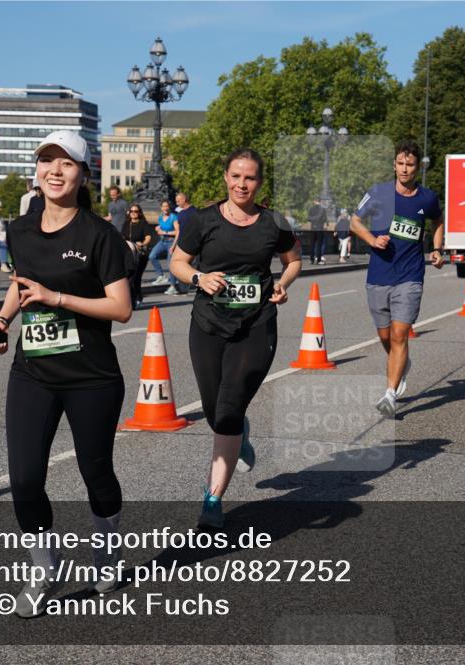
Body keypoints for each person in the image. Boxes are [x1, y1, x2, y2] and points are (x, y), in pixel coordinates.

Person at [0, 129, 132, 617]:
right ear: (37, 171)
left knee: (96, 472)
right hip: (33, 371)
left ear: (83, 174)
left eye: (66, 163)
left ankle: (108, 550)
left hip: (91, 375)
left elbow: (121, 308)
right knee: (25, 479)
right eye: (46, 161)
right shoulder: (21, 229)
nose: (54, 170)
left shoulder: (99, 235)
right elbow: (20, 283)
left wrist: (58, 298)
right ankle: (44, 569)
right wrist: (3, 320)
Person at [169, 148, 301, 529]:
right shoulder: (202, 220)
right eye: (236, 176)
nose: (242, 184)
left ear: (260, 182)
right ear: (226, 177)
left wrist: (282, 284)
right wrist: (199, 278)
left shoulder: (274, 222)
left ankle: (213, 498)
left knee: (227, 408)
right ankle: (240, 433)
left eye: (250, 178)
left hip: (256, 325)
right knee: (214, 410)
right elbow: (178, 262)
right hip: (208, 324)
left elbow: (293, 260)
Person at [349, 140, 444, 416]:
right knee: (385, 336)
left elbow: (438, 221)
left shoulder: (427, 198)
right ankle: (402, 363)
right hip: (379, 275)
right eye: (400, 163)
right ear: (394, 164)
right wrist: (372, 240)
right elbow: (355, 221)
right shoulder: (378, 192)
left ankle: (389, 394)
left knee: (400, 334)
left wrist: (437, 248)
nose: (404, 169)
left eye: (410, 165)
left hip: (410, 275)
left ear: (417, 168)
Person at [122, 203, 154, 309]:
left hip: (140, 254)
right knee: (129, 277)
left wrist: (143, 243)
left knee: (136, 277)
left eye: (135, 211)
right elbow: (122, 236)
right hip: (129, 254)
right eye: (131, 211)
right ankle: (131, 299)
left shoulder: (143, 223)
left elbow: (148, 237)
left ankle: (138, 298)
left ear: (139, 213)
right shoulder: (127, 224)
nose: (133, 213)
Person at [149, 200, 183, 294]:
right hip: (163, 241)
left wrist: (173, 245)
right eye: (163, 206)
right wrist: (158, 228)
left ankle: (173, 286)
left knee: (170, 264)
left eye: (167, 206)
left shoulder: (173, 217)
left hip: (171, 241)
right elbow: (162, 227)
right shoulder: (160, 217)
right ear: (161, 208)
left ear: (169, 207)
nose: (165, 208)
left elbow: (178, 232)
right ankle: (161, 276)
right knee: (152, 256)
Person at [308, 198, 327, 264]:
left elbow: (309, 219)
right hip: (320, 228)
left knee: (312, 245)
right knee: (319, 245)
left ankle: (311, 259)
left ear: (314, 201)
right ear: (320, 201)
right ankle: (318, 260)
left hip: (313, 228)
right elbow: (325, 219)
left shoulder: (311, 209)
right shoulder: (323, 209)